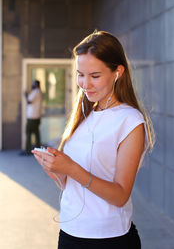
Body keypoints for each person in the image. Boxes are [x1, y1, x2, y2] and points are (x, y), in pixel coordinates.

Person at [32, 31, 155, 248]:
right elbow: (72, 186)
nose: (85, 84)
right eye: (80, 74)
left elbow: (120, 196)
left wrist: (70, 168)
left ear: (118, 72)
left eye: (94, 76)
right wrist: (56, 172)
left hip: (109, 239)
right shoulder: (84, 115)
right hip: (70, 233)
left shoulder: (130, 121)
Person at [21, 80, 42, 156]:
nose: (32, 85)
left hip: (32, 117)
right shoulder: (37, 92)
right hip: (35, 117)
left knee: (29, 133)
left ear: (36, 85)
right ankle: (38, 149)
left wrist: (25, 95)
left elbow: (29, 101)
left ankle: (27, 150)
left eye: (33, 84)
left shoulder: (36, 91)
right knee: (36, 134)